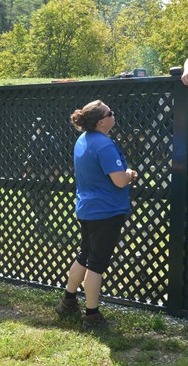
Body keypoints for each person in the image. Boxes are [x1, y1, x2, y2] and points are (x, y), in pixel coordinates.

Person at [55, 100, 138, 329]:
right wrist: (130, 174)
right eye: (110, 112)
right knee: (96, 264)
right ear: (102, 121)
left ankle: (68, 302)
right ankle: (92, 316)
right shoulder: (105, 145)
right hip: (107, 211)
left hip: (87, 209)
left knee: (84, 255)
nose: (114, 114)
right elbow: (119, 181)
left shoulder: (83, 140)